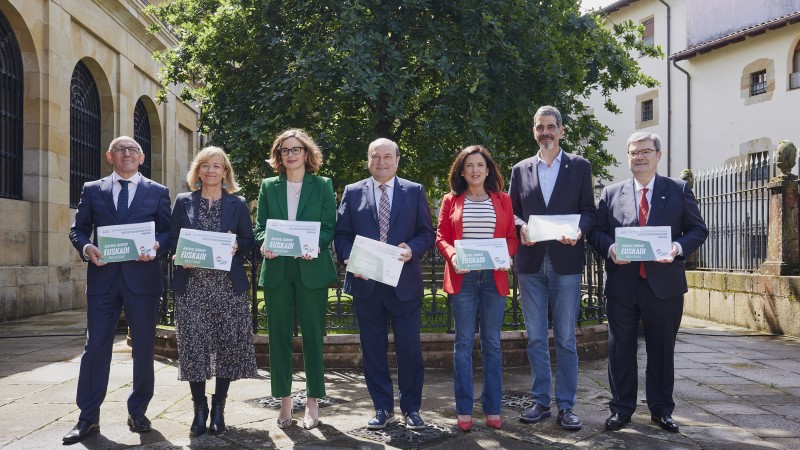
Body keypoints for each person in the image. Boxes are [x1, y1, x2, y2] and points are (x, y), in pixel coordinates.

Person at [587, 132, 708, 433]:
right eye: (633, 152)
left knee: (662, 350)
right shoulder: (612, 193)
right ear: (627, 157)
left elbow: (698, 229)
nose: (639, 157)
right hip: (622, 286)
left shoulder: (678, 189)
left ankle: (662, 410)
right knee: (620, 351)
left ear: (658, 155)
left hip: (664, 286)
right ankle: (621, 409)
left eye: (645, 151)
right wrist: (611, 248)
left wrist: (677, 249)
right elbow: (596, 232)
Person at [65, 136, 171, 443]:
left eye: (133, 150)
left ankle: (138, 411)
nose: (127, 153)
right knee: (95, 348)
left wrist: (157, 245)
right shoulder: (92, 189)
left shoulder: (158, 191)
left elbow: (167, 231)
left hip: (143, 281)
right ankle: (88, 418)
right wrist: (86, 247)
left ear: (142, 157)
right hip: (103, 279)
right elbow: (78, 228)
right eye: (121, 150)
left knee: (143, 348)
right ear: (110, 156)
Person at [334, 138, 435, 430]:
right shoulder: (353, 193)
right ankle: (381, 408)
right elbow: (341, 236)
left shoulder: (414, 191)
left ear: (397, 160)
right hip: (366, 285)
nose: (381, 162)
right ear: (368, 160)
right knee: (373, 350)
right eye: (375, 157)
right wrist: (350, 259)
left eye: (387, 157)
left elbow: (427, 233)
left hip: (404, 285)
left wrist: (411, 250)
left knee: (410, 351)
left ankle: (411, 409)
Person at [508, 105, 596, 431]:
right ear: (534, 131)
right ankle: (541, 401)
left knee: (565, 339)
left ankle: (568, 406)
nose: (545, 132)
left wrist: (578, 230)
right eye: (539, 127)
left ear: (561, 130)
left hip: (566, 262)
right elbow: (512, 212)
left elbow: (589, 211)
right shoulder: (520, 169)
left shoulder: (580, 167)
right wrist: (519, 227)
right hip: (530, 262)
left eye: (550, 127)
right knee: (534, 338)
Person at [169, 146, 258, 436]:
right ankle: (199, 408)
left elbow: (249, 240)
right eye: (205, 165)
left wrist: (237, 245)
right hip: (192, 286)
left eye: (217, 166)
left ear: (225, 173)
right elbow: (172, 239)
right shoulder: (184, 202)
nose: (211, 171)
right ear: (198, 170)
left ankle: (219, 406)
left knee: (228, 348)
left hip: (227, 287)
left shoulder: (238, 203)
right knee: (194, 347)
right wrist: (177, 254)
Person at [253, 129, 338, 430]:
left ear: (306, 153)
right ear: (279, 156)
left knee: (313, 336)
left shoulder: (323, 185)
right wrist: (264, 243)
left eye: (296, 149)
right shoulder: (268, 186)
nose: (290, 154)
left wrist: (316, 245)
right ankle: (285, 401)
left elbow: (329, 226)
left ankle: (313, 401)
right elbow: (261, 227)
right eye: (284, 150)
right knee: (278, 337)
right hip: (278, 269)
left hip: (310, 268)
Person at [435, 145, 518, 431]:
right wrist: (453, 256)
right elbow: (442, 237)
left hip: (493, 277)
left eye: (480, 164)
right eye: (469, 165)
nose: (474, 170)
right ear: (461, 170)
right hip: (464, 277)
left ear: (488, 169)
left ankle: (493, 407)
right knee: (463, 344)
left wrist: (507, 255)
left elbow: (510, 237)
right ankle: (464, 408)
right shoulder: (451, 200)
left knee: (492, 344)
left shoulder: (503, 199)